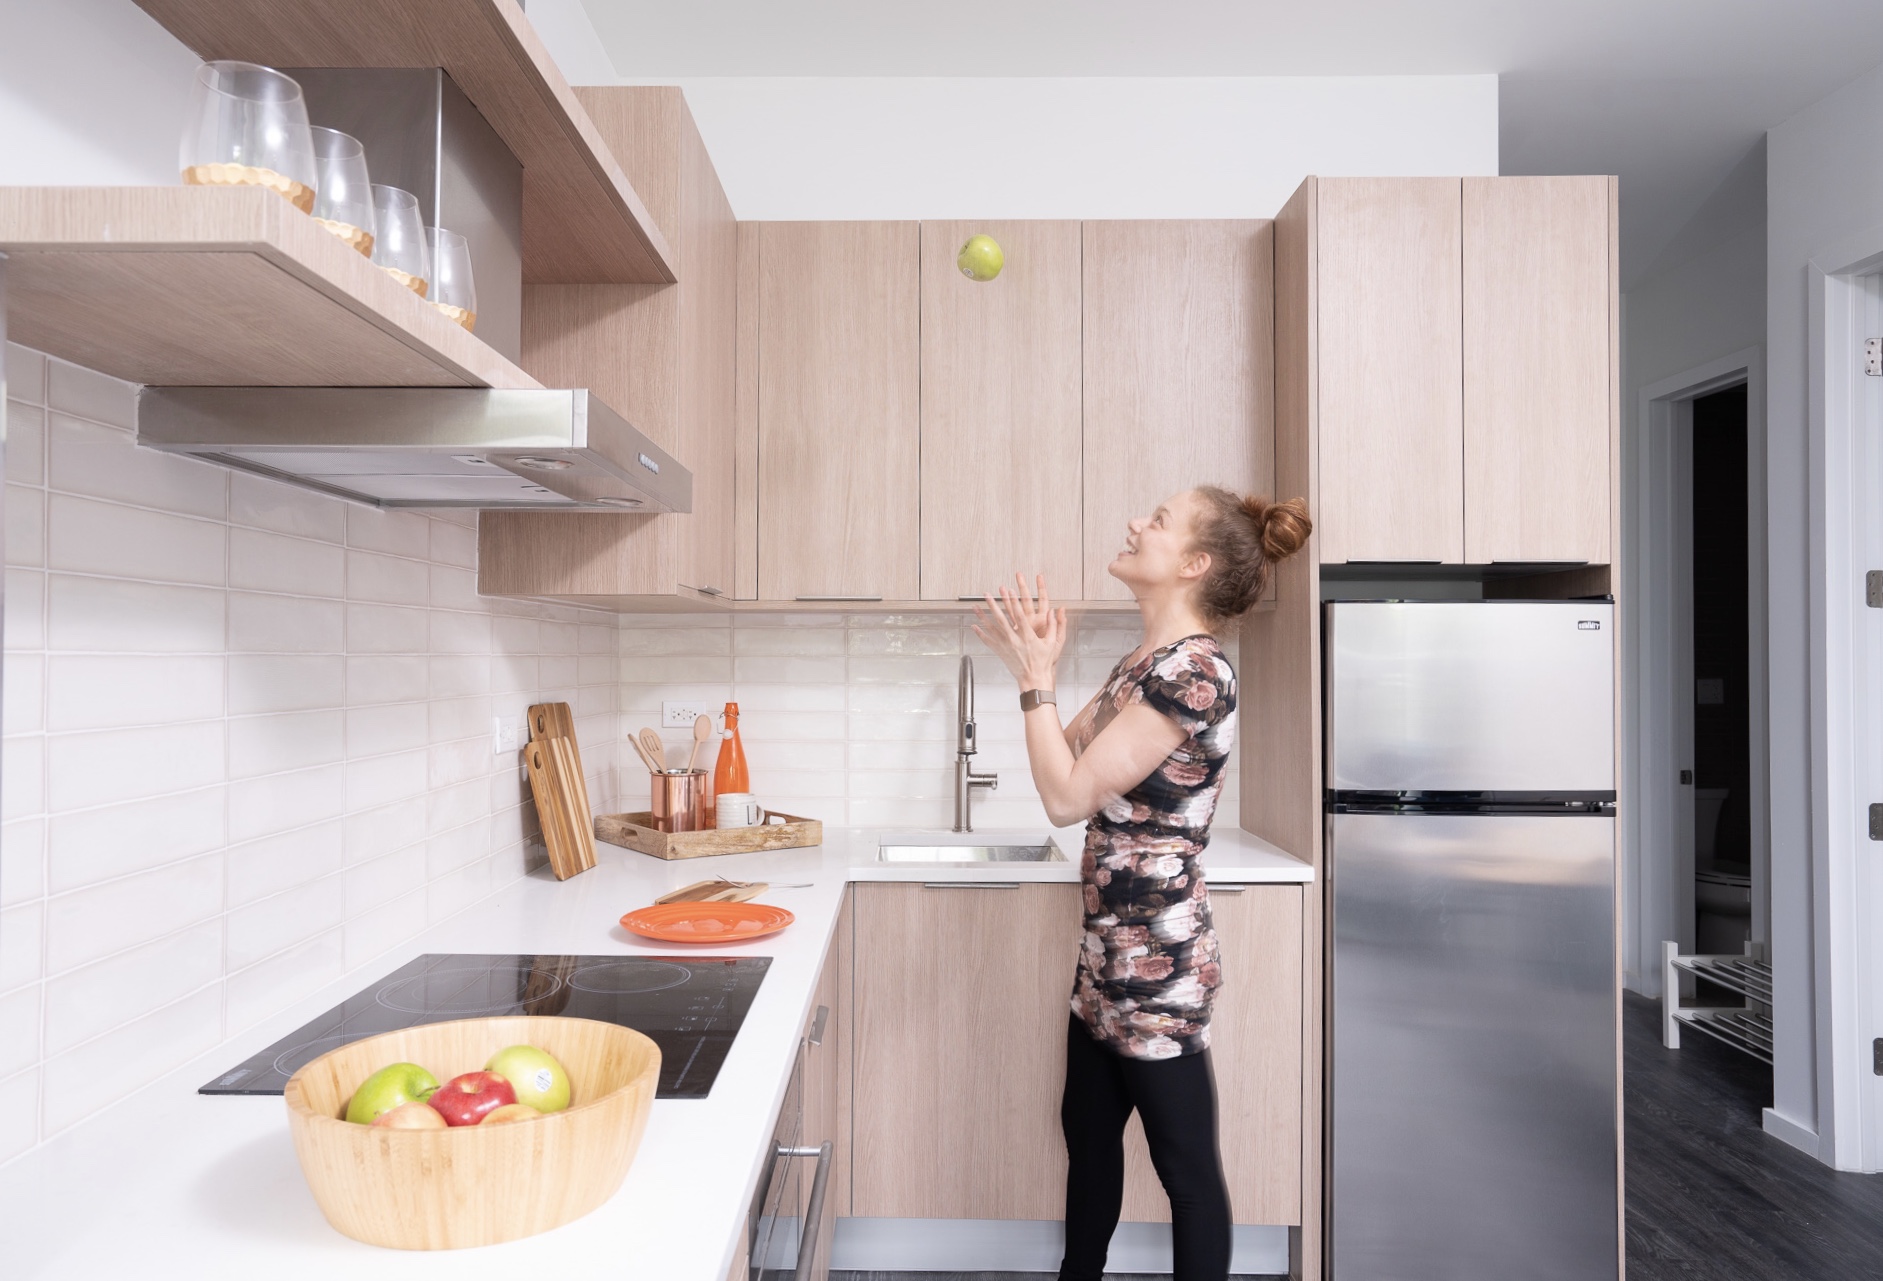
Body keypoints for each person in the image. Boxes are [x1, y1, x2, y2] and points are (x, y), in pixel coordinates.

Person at [973, 485, 1312, 1281]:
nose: (1133, 521)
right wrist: (1040, 672)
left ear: (1192, 563)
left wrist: (1036, 678)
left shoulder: (1195, 674)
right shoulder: (1143, 664)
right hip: (1105, 958)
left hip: (1159, 963)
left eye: (1156, 521)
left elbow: (1063, 799)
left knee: (1186, 1173)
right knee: (1087, 1140)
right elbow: (1066, 761)